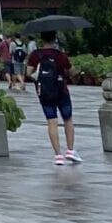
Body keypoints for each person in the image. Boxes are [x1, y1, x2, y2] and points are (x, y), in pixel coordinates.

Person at [26, 32, 79, 166]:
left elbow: (28, 73)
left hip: (44, 93)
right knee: (67, 119)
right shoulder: (60, 55)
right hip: (62, 91)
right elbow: (72, 72)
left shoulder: (35, 55)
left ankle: (58, 155)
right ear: (55, 39)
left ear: (41, 38)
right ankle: (70, 150)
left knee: (52, 121)